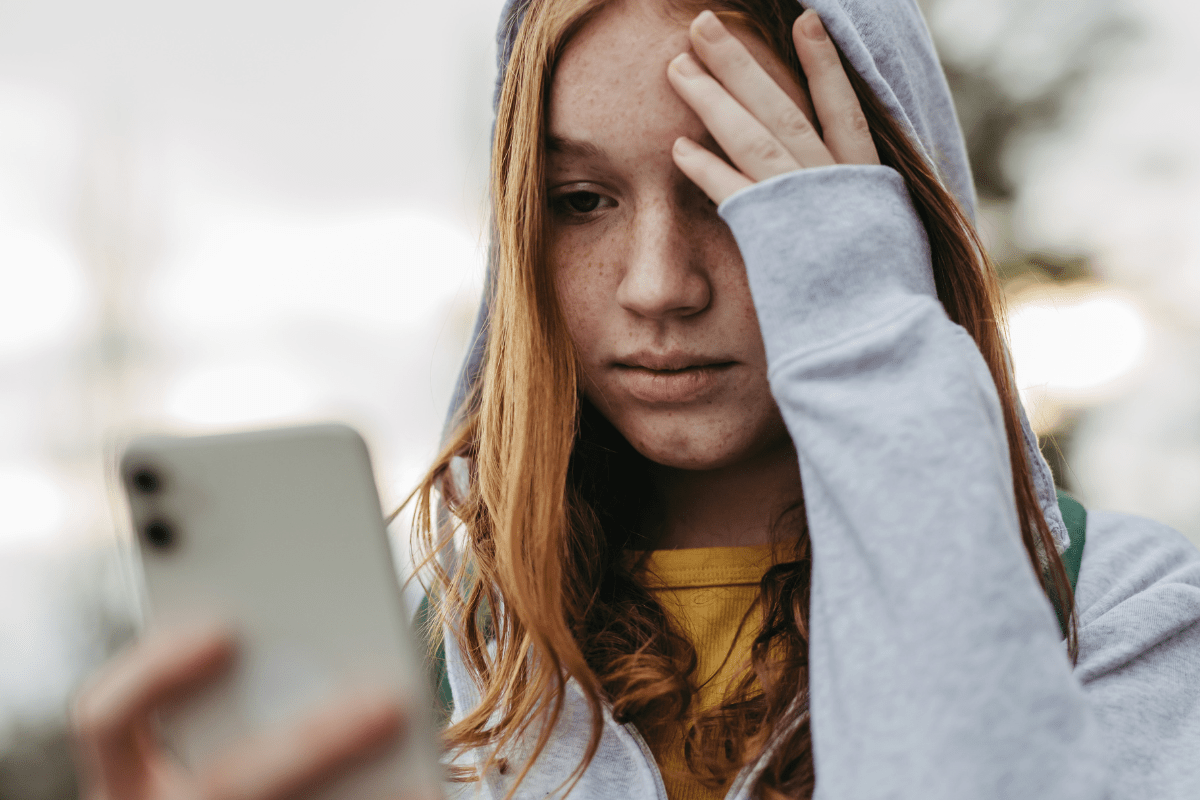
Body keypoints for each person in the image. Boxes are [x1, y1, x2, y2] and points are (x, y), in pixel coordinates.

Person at [72, 1, 1200, 799]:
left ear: (879, 214)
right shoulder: (437, 666)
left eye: (739, 188)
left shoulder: (1126, 616)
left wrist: (861, 319)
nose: (661, 284)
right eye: (580, 199)